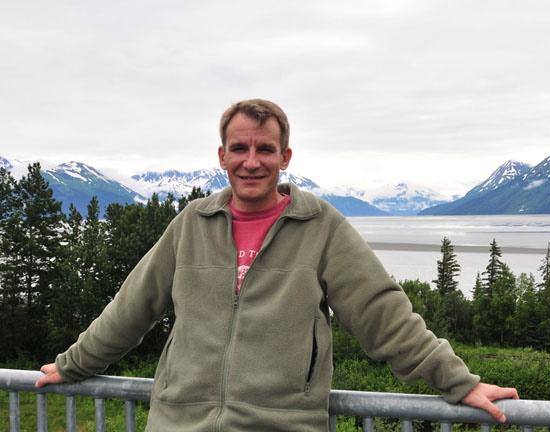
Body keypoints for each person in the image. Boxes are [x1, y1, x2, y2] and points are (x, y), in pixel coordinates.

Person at [36, 99, 518, 431]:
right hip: (178, 422)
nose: (252, 161)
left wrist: (459, 383)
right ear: (222, 155)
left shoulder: (320, 225)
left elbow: (383, 315)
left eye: (265, 149)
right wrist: (72, 365)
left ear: (285, 157)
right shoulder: (192, 223)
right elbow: (131, 307)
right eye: (240, 149)